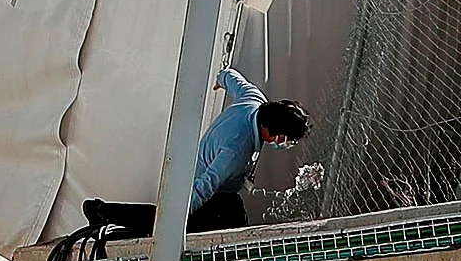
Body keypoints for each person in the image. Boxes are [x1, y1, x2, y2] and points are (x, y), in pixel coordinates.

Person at [79, 67, 308, 243]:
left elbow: (230, 76)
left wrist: (220, 80)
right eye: (286, 139)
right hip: (199, 184)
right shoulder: (237, 150)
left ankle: (108, 214)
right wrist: (177, 216)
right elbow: (206, 185)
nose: (285, 144)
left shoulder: (254, 100)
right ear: (275, 133)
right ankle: (103, 212)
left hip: (212, 181)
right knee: (179, 223)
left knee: (232, 213)